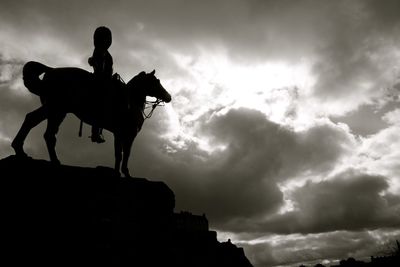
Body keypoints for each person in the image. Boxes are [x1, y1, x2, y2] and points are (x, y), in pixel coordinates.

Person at [88, 26, 113, 143]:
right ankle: (95, 133)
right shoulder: (101, 51)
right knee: (101, 102)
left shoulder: (102, 51)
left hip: (105, 79)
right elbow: (100, 69)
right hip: (101, 81)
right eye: (106, 38)